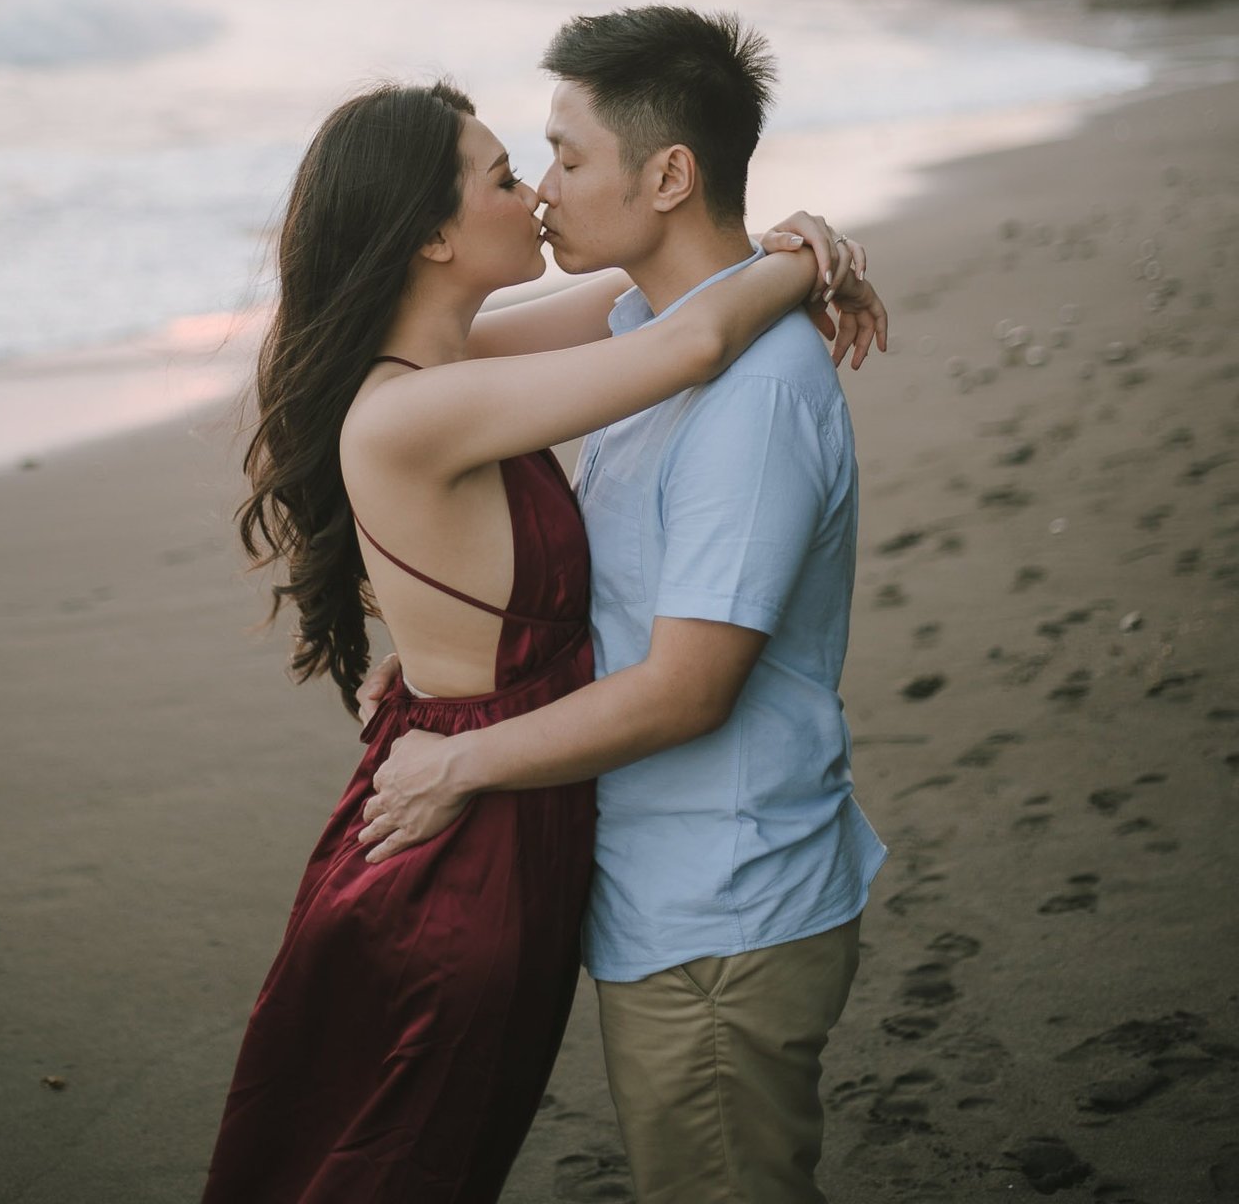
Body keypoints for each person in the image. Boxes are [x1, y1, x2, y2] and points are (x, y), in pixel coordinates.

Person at [201, 72, 883, 1204]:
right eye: (509, 176)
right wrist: (812, 261)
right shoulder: (422, 404)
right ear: (431, 234)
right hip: (466, 846)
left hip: (511, 811)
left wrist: (773, 245)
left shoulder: (460, 363)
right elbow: (694, 341)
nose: (535, 197)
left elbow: (668, 299)